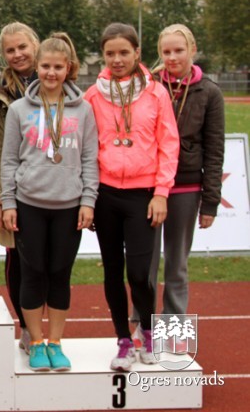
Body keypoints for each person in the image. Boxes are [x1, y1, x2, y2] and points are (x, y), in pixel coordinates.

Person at [1, 33, 99, 371]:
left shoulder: (83, 110)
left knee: (59, 273)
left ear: (68, 68)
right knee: (32, 273)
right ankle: (36, 342)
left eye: (58, 67)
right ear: (37, 67)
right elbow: (8, 161)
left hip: (68, 206)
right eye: (45, 66)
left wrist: (88, 200)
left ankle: (55, 342)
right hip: (29, 203)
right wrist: (8, 202)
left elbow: (89, 159)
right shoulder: (19, 109)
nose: (51, 73)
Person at [84, 23, 179, 371]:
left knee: (139, 273)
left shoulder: (156, 94)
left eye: (124, 52)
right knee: (112, 271)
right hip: (105, 195)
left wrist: (161, 193)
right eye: (110, 53)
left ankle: (148, 333)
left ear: (137, 53)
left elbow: (169, 145)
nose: (117, 59)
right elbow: (86, 149)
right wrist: (88, 198)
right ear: (103, 56)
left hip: (143, 195)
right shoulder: (93, 96)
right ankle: (123, 340)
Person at [135, 24, 225, 346]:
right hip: (148, 186)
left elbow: (214, 149)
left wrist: (210, 201)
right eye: (166, 51)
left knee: (177, 265)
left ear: (192, 50)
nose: (172, 57)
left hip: (186, 187)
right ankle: (141, 326)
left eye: (179, 50)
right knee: (143, 264)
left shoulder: (209, 92)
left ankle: (174, 333)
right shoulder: (147, 86)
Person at [0, 22, 39, 350]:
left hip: (54, 189)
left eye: (22, 47)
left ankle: (49, 331)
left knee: (50, 263)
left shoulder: (60, 83)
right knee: (18, 259)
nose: (17, 54)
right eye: (10, 50)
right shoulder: (1, 93)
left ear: (36, 45)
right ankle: (28, 329)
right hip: (15, 189)